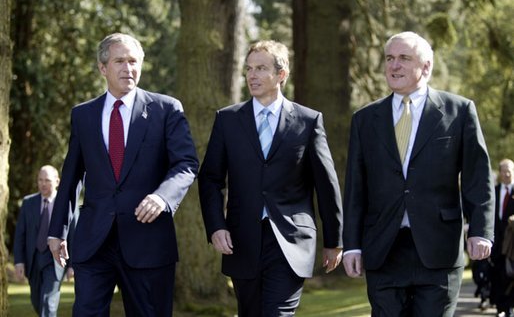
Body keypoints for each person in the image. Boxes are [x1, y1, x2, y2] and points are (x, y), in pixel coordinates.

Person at [342, 31, 495, 316]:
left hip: (438, 250)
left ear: (426, 67)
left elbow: (478, 177)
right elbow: (355, 188)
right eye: (389, 58)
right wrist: (351, 245)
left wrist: (481, 231)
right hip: (383, 250)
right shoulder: (365, 119)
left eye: (403, 58)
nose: (394, 65)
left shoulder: (459, 111)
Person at [47, 33, 199, 317]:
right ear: (103, 68)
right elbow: (70, 177)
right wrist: (57, 230)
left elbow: (187, 163)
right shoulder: (83, 115)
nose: (128, 68)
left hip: (148, 241)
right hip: (93, 243)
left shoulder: (166, 109)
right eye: (120, 61)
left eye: (133, 61)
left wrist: (162, 197)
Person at [198, 40, 343, 316]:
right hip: (241, 240)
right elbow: (210, 179)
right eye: (249, 68)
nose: (252, 75)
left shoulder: (308, 121)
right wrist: (216, 226)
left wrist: (334, 241)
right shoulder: (227, 120)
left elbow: (326, 184)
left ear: (281, 74)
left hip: (291, 240)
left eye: (261, 68)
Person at [13, 165, 75, 317]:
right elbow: (20, 235)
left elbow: (74, 235)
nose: (43, 184)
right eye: (40, 180)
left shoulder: (66, 202)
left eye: (47, 180)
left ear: (57, 181)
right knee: (37, 301)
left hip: (55, 262)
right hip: (33, 261)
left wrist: (72, 265)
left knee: (48, 302)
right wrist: (19, 261)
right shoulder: (28, 203)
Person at [490, 158, 514, 316]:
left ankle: (510, 307)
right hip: (496, 243)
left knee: (511, 277)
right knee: (497, 276)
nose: (506, 174)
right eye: (503, 170)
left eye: (509, 170)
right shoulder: (493, 191)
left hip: (512, 245)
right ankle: (501, 308)